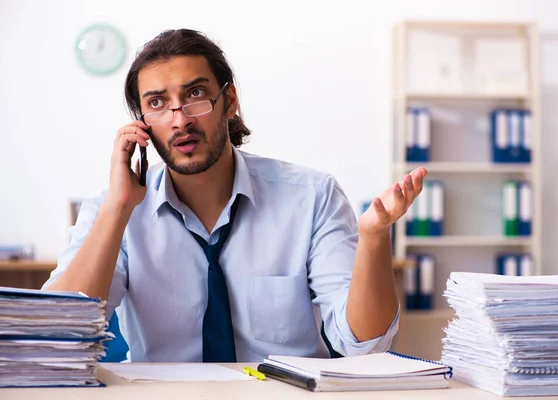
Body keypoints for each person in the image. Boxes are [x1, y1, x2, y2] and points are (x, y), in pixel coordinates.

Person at [43, 29, 427, 363]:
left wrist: (374, 238)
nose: (180, 119)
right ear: (140, 123)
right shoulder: (113, 210)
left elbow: (364, 344)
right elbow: (58, 335)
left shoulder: (311, 198)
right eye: (157, 103)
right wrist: (118, 209)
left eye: (195, 94)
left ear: (230, 101)